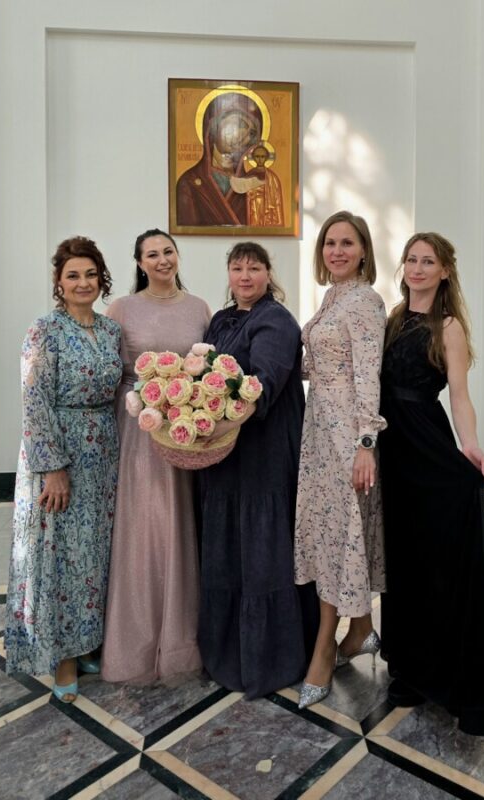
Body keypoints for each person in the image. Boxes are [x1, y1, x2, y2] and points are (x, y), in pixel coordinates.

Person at [379, 232, 484, 739]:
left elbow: (459, 395)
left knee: (435, 561)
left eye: (428, 261)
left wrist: (472, 445)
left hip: (427, 450)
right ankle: (407, 667)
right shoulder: (393, 318)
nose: (417, 268)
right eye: (411, 260)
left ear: (444, 271)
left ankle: (441, 670)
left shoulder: (449, 327)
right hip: (391, 451)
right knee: (403, 560)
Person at [197, 242, 318, 699]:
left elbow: (262, 385)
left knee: (263, 549)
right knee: (230, 547)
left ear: (269, 273)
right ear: (228, 273)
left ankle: (269, 657)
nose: (245, 276)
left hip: (263, 454)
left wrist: (218, 422)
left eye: (254, 267)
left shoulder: (277, 321)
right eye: (237, 267)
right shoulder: (220, 320)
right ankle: (227, 648)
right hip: (225, 454)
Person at [5, 236, 122, 703]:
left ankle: (87, 641)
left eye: (90, 274)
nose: (83, 282)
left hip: (104, 452)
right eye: (73, 275)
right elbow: (33, 401)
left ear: (101, 279)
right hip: (60, 452)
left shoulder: (111, 331)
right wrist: (53, 467)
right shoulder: (44, 330)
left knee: (93, 553)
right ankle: (62, 656)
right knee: (60, 556)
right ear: (59, 282)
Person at [101, 228, 211, 683]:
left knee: (182, 521)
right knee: (144, 524)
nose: (162, 260)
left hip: (185, 427)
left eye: (168, 251)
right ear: (139, 263)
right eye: (152, 254)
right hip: (138, 427)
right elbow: (109, 372)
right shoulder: (122, 308)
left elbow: (207, 371)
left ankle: (183, 638)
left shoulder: (199, 308)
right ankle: (137, 640)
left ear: (177, 255)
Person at [294, 211, 387, 709]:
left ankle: (324, 648)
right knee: (334, 532)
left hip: (347, 433)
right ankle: (362, 629)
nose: (337, 251)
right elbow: (322, 365)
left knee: (340, 535)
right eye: (330, 243)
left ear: (364, 250)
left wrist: (366, 443)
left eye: (347, 243)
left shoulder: (365, 301)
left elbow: (368, 374)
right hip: (319, 430)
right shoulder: (333, 297)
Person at [176, 91, 263, 227]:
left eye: (252, 133)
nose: (245, 138)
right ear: (213, 126)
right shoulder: (189, 183)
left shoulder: (252, 185)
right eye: (240, 125)